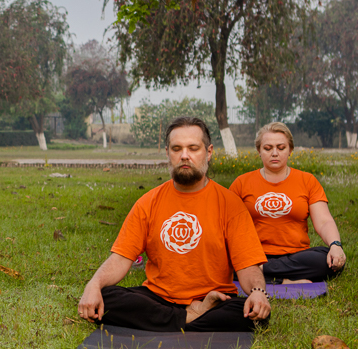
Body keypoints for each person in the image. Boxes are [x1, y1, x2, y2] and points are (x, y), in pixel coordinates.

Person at [78, 116, 271, 332]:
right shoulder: (148, 203)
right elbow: (121, 258)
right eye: (176, 149)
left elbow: (248, 265)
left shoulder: (230, 204)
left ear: (208, 152)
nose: (184, 156)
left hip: (213, 300)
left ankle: (169, 321)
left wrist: (258, 293)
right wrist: (94, 284)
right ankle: (189, 317)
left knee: (253, 313)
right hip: (158, 297)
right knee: (106, 297)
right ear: (167, 152)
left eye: (193, 148)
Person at [228, 122, 345, 283]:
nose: (274, 153)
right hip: (254, 253)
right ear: (259, 151)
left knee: (327, 260)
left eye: (281, 148)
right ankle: (284, 280)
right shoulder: (242, 183)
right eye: (268, 148)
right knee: (219, 261)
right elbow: (228, 225)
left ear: (290, 150)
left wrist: (335, 245)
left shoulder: (307, 180)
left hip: (297, 256)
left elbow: (324, 221)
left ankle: (260, 271)